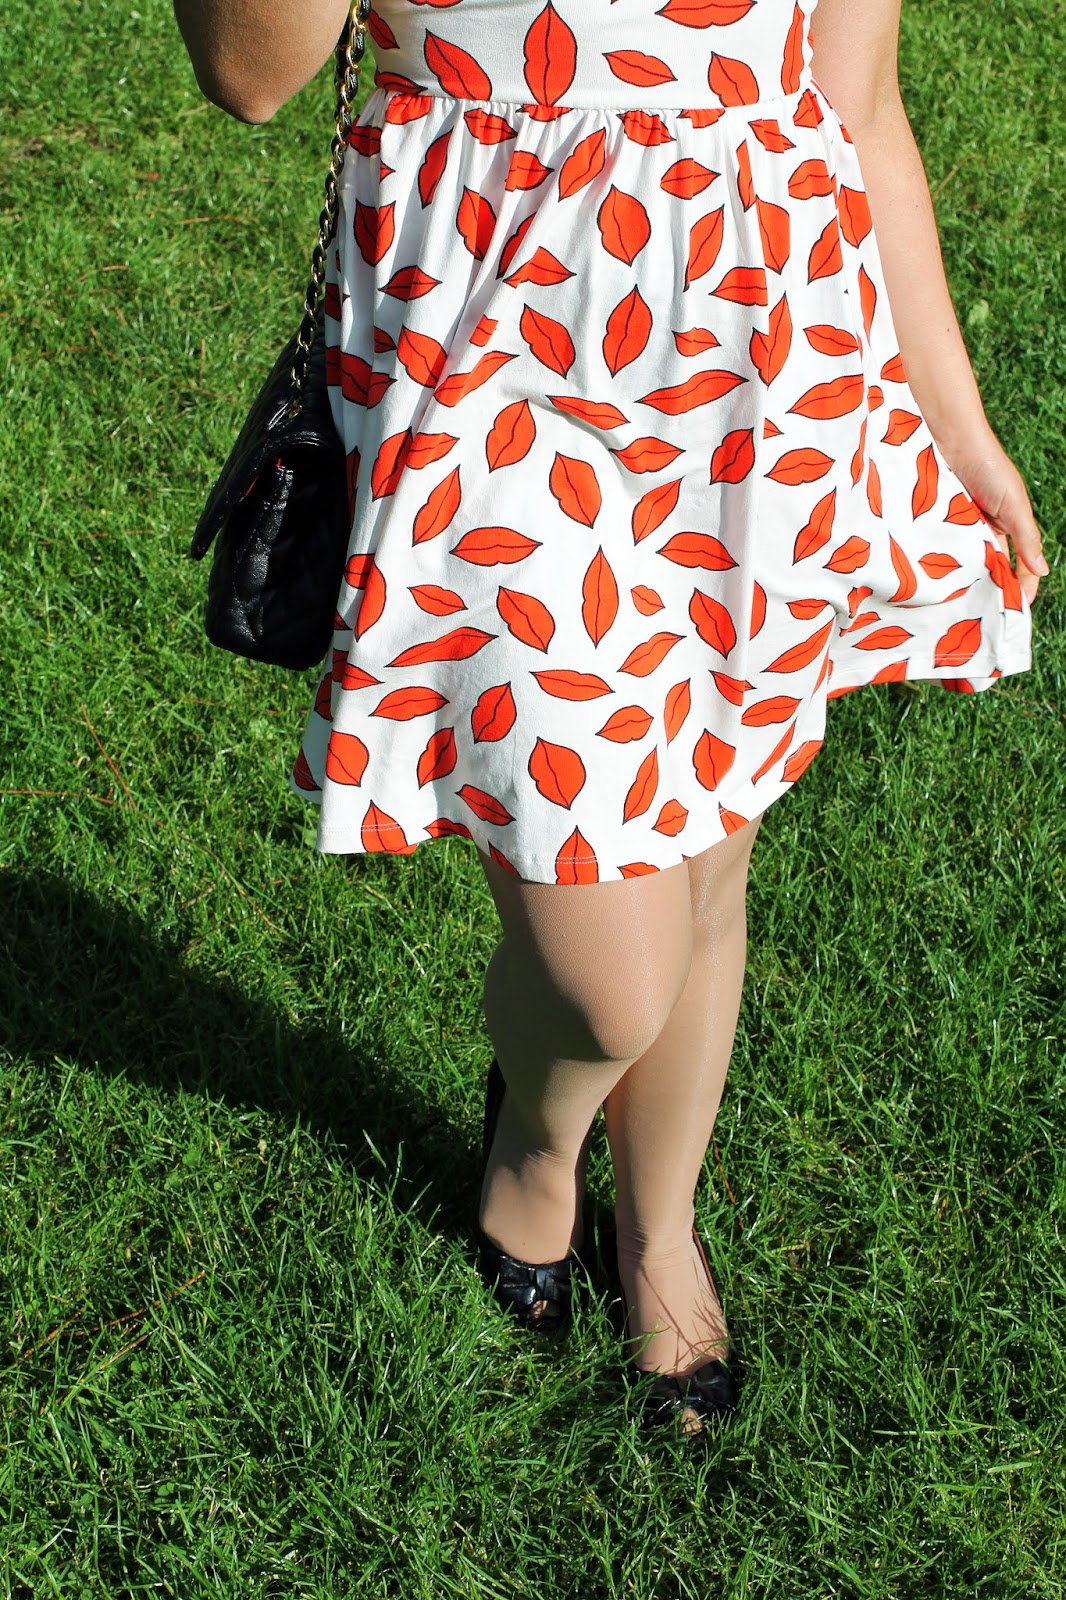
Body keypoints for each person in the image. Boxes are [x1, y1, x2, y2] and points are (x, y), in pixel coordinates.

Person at [174, 0, 1049, 1438]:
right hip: (498, 380)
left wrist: (957, 426)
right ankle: (536, 1142)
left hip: (761, 392)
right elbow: (253, 76)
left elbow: (857, 111)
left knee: (706, 856)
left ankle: (659, 1225)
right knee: (609, 975)